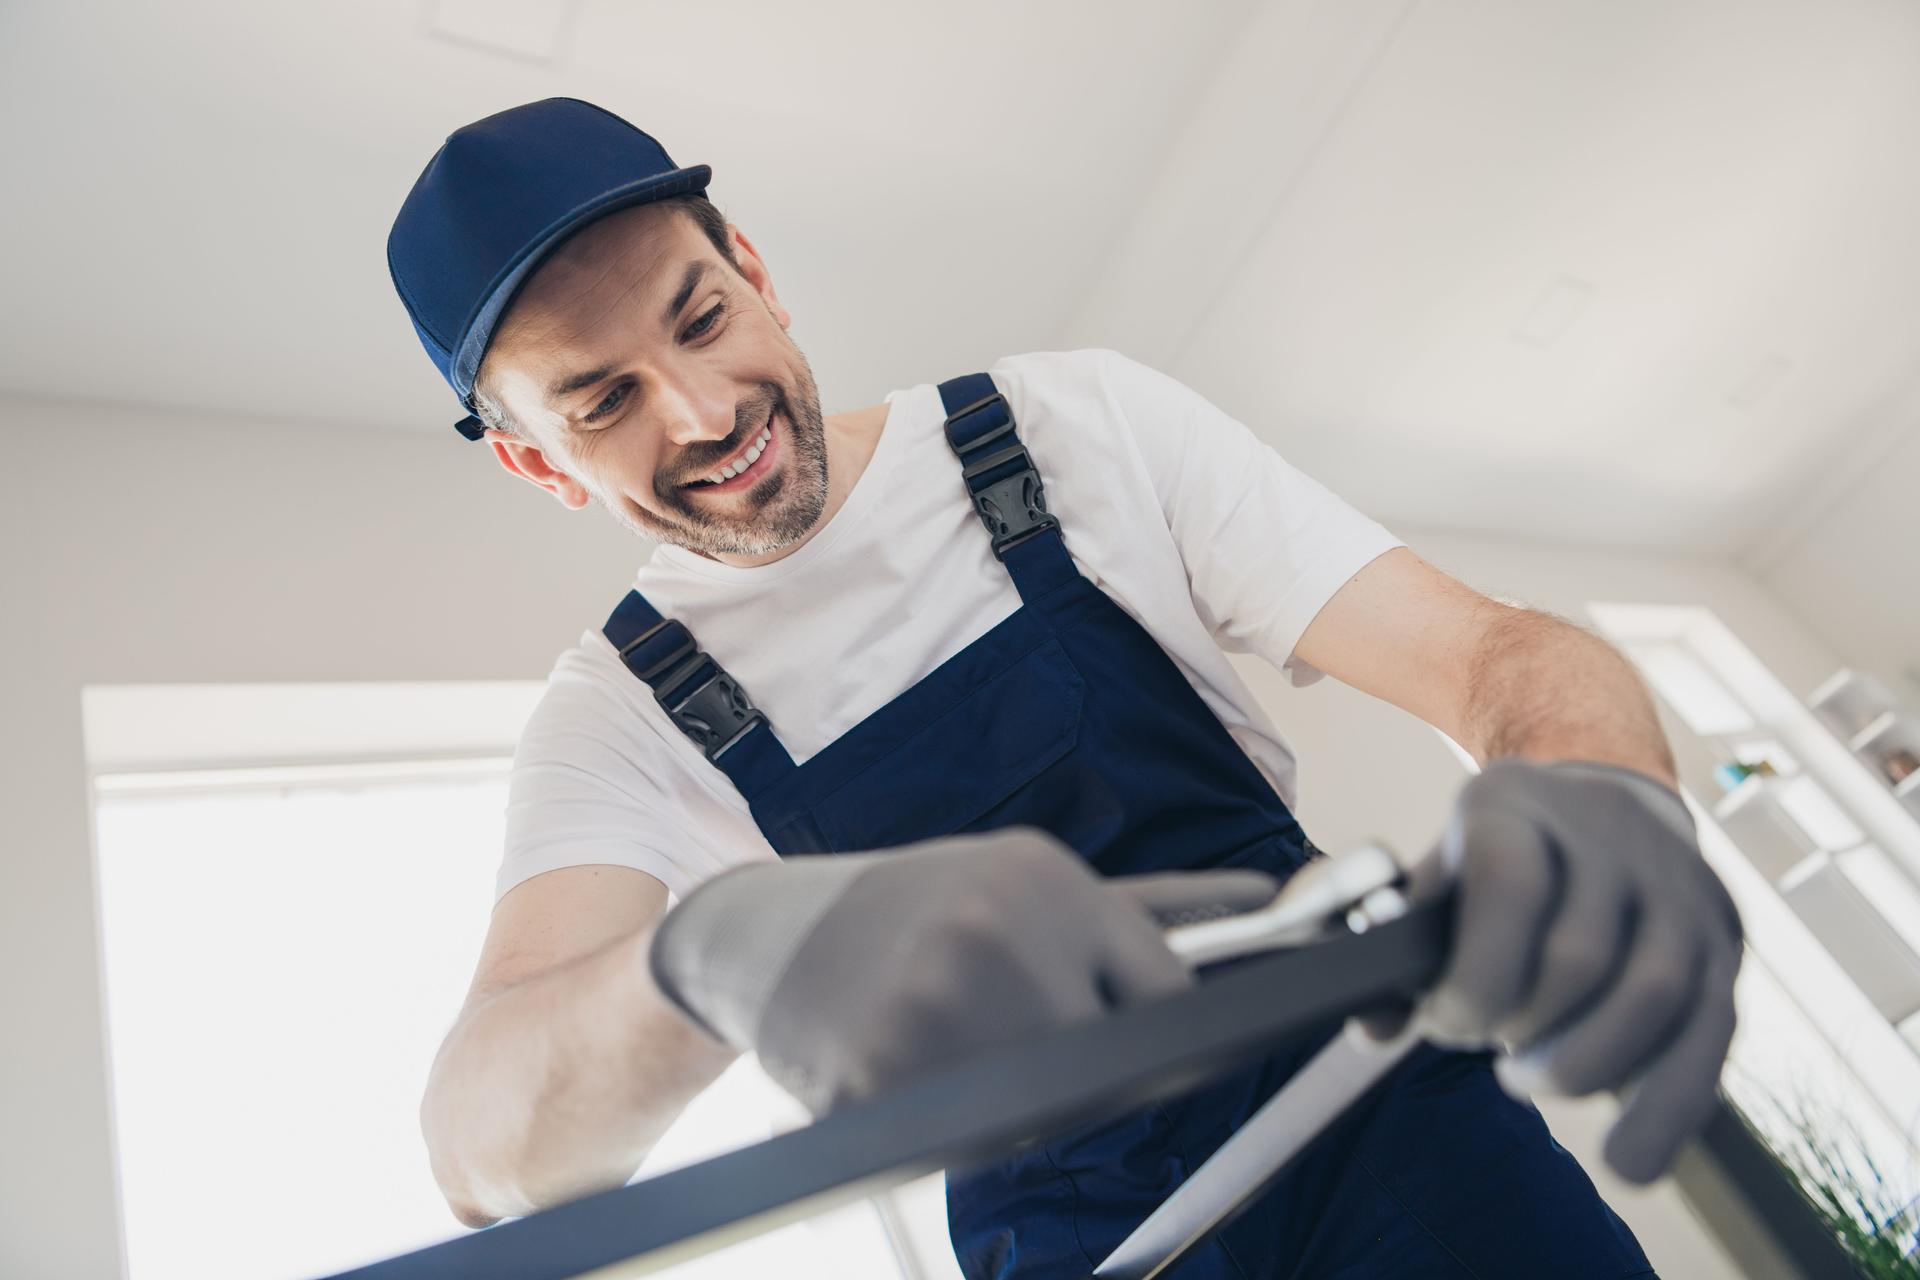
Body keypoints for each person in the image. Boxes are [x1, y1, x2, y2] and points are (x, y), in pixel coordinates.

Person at [386, 98, 1742, 1279]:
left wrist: (1598, 785)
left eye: (702, 318)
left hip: (1396, 1132)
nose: (700, 414)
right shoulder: (616, 717)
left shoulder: (1070, 426)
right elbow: (482, 1153)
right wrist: (712, 964)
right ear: (539, 466)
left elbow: (1488, 655)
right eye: (603, 403)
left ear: (754, 268)